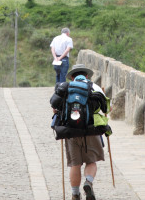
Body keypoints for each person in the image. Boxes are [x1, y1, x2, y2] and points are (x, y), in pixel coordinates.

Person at [58, 64, 109, 200]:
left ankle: (75, 194)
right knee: (91, 161)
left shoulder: (66, 88)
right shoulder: (95, 87)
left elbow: (55, 109)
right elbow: (106, 109)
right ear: (87, 76)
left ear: (72, 76)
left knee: (75, 164)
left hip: (71, 132)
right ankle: (88, 182)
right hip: (91, 130)